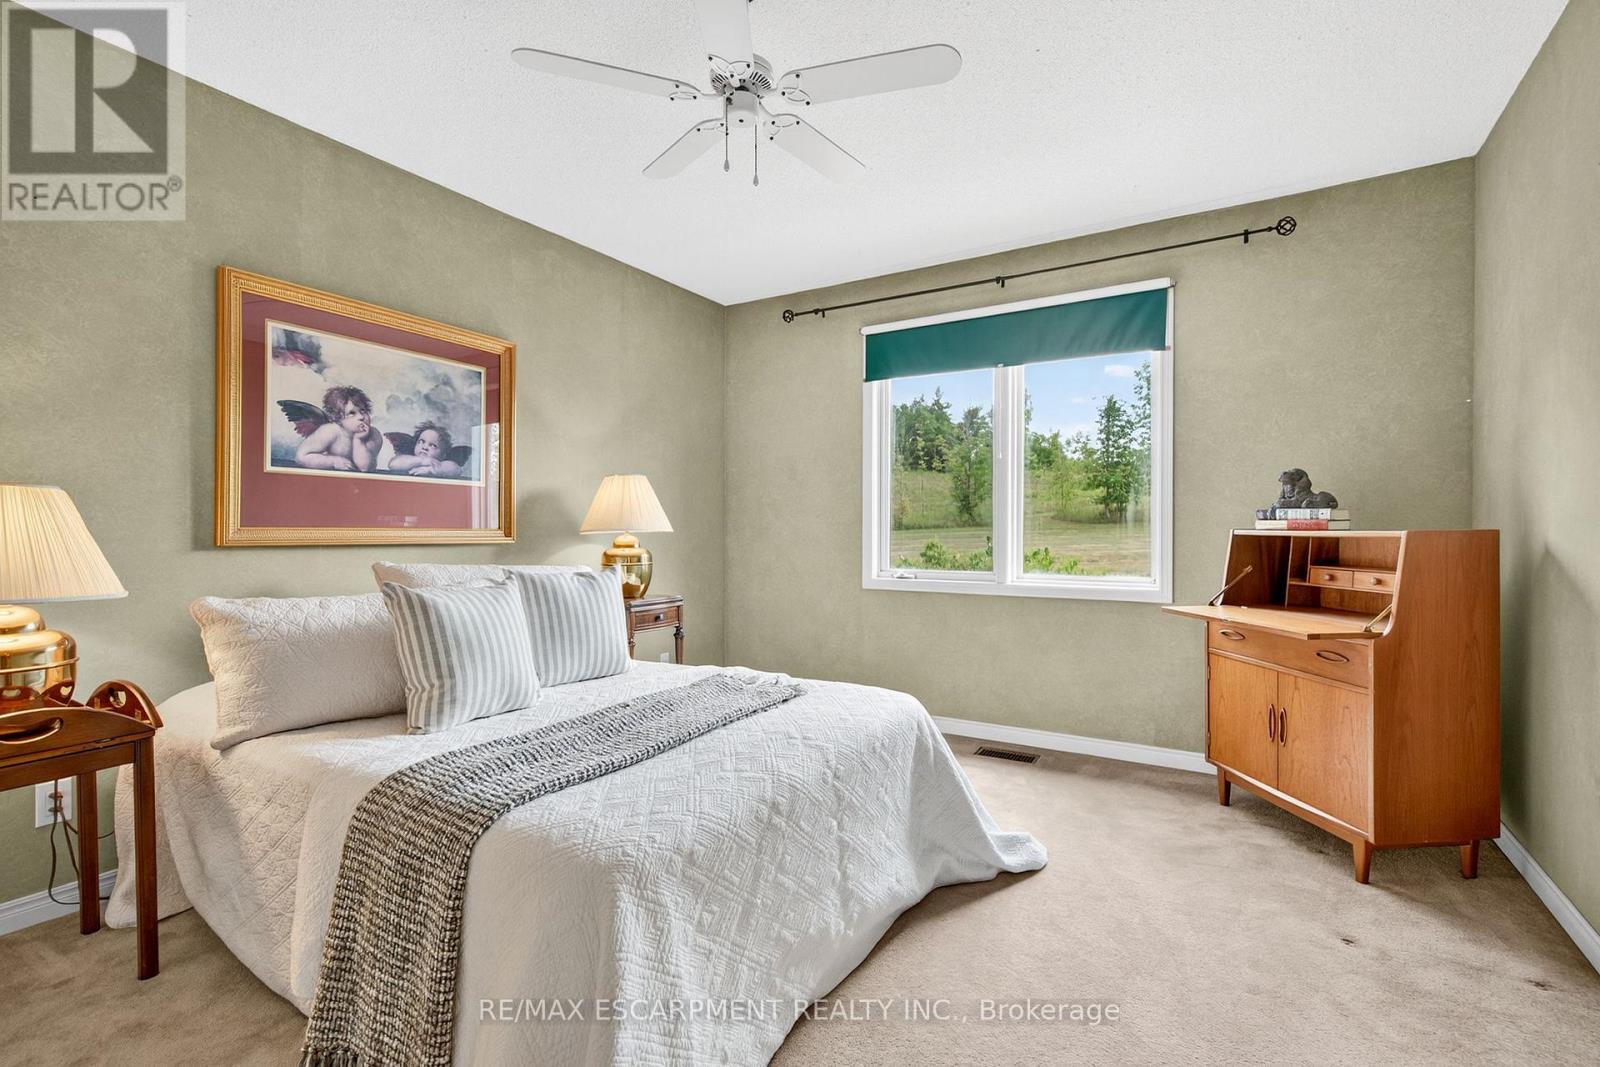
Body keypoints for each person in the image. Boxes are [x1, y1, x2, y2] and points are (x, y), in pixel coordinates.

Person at [295, 386, 383, 472]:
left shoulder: (374, 435)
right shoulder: (330, 431)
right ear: (338, 418)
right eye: (352, 413)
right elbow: (301, 457)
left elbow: (365, 468)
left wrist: (358, 440)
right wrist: (334, 461)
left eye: (363, 411)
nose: (361, 417)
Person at [388, 420, 464, 478]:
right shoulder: (408, 459)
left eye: (433, 445)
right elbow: (393, 464)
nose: (424, 447)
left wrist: (432, 470)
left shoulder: (443, 464)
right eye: (421, 441)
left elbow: (456, 469)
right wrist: (422, 461)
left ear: (443, 455)